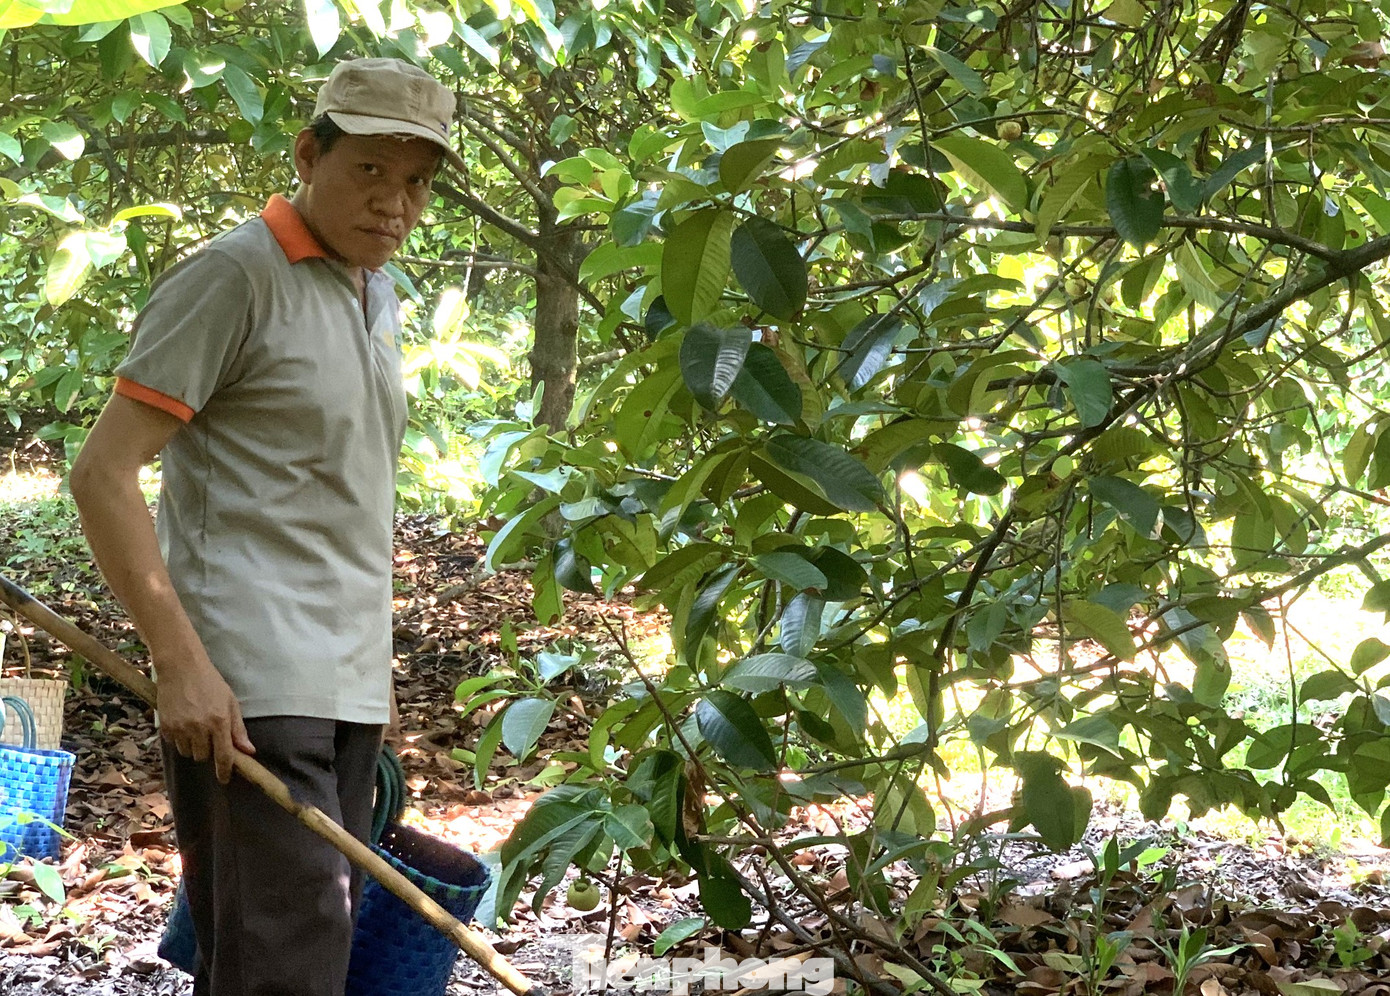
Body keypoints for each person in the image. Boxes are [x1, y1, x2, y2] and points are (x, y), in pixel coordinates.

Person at [69, 57, 464, 996]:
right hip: (249, 687)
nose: (394, 203)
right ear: (307, 154)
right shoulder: (232, 277)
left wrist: (373, 682)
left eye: (414, 182)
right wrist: (182, 664)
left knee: (302, 952)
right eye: (369, 170)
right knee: (283, 966)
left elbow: (336, 496)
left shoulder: (377, 292)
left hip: (343, 684)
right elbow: (101, 474)